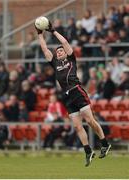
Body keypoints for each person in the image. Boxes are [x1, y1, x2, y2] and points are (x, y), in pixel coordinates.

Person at [35, 21, 111, 167]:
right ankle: (88, 151)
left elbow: (65, 42)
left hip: (77, 90)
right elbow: (44, 48)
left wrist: (53, 31)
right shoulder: (55, 64)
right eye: (57, 52)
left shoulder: (71, 59)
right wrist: (40, 34)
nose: (59, 52)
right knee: (77, 126)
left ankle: (104, 143)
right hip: (67, 96)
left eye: (61, 51)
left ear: (65, 52)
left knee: (89, 120)